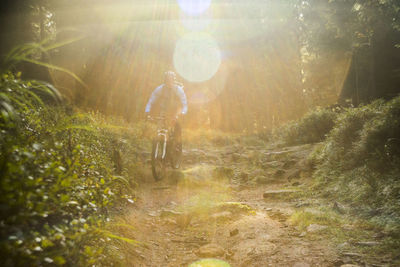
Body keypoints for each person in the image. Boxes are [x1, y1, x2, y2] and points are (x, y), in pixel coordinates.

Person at [145, 71, 188, 153]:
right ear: (164, 80)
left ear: (173, 80)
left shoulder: (178, 90)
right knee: (160, 129)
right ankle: (162, 148)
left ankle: (177, 143)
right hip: (164, 110)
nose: (169, 82)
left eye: (170, 80)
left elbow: (184, 103)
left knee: (176, 126)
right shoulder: (160, 89)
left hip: (176, 111)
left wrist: (183, 113)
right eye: (167, 80)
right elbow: (151, 101)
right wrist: (147, 111)